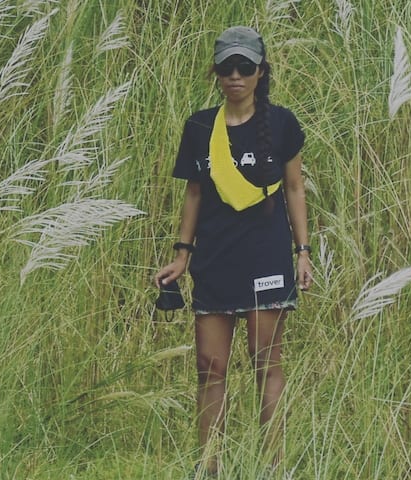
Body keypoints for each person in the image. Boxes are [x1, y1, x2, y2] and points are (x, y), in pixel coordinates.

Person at [152, 25, 312, 477]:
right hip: (215, 258)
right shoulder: (200, 125)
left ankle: (273, 465)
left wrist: (303, 251)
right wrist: (182, 255)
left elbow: (296, 189)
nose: (236, 75)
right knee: (209, 366)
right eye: (227, 67)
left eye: (245, 66)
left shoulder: (282, 123)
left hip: (266, 257)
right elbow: (195, 194)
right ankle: (209, 467)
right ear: (216, 73)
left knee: (265, 362)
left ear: (261, 72)